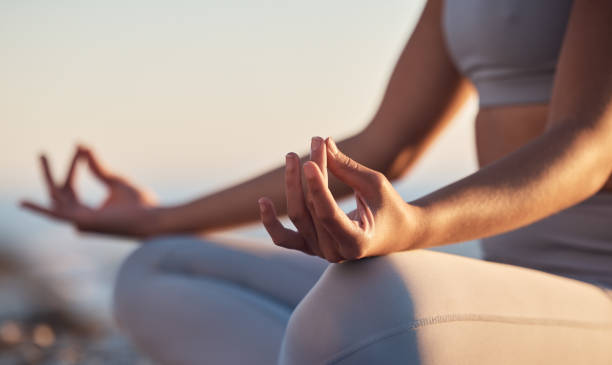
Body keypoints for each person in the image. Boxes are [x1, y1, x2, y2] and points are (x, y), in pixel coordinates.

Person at [22, 0, 612, 364]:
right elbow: (385, 144)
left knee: (372, 302)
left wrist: (413, 226)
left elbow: (586, 146)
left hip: (599, 302)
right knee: (159, 268)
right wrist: (154, 219)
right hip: (514, 294)